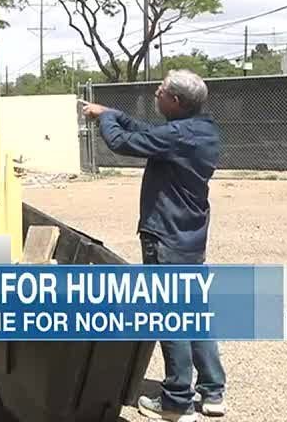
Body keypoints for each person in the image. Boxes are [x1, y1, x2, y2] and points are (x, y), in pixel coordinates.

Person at [82, 70, 228, 422]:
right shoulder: (201, 130)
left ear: (175, 102)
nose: (155, 93)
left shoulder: (178, 136)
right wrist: (110, 112)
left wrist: (106, 121)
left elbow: (122, 142)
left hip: (166, 238)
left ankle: (177, 402)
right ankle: (212, 392)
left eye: (161, 91)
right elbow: (150, 132)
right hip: (190, 238)